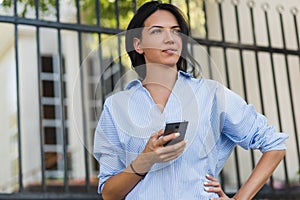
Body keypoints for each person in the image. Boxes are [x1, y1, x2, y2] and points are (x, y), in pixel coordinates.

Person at [93, 1, 288, 200]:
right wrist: (145, 159)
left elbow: (274, 144)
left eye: (176, 31)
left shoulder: (211, 95)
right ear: (138, 45)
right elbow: (109, 194)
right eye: (157, 31)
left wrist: (240, 198)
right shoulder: (117, 107)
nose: (170, 39)